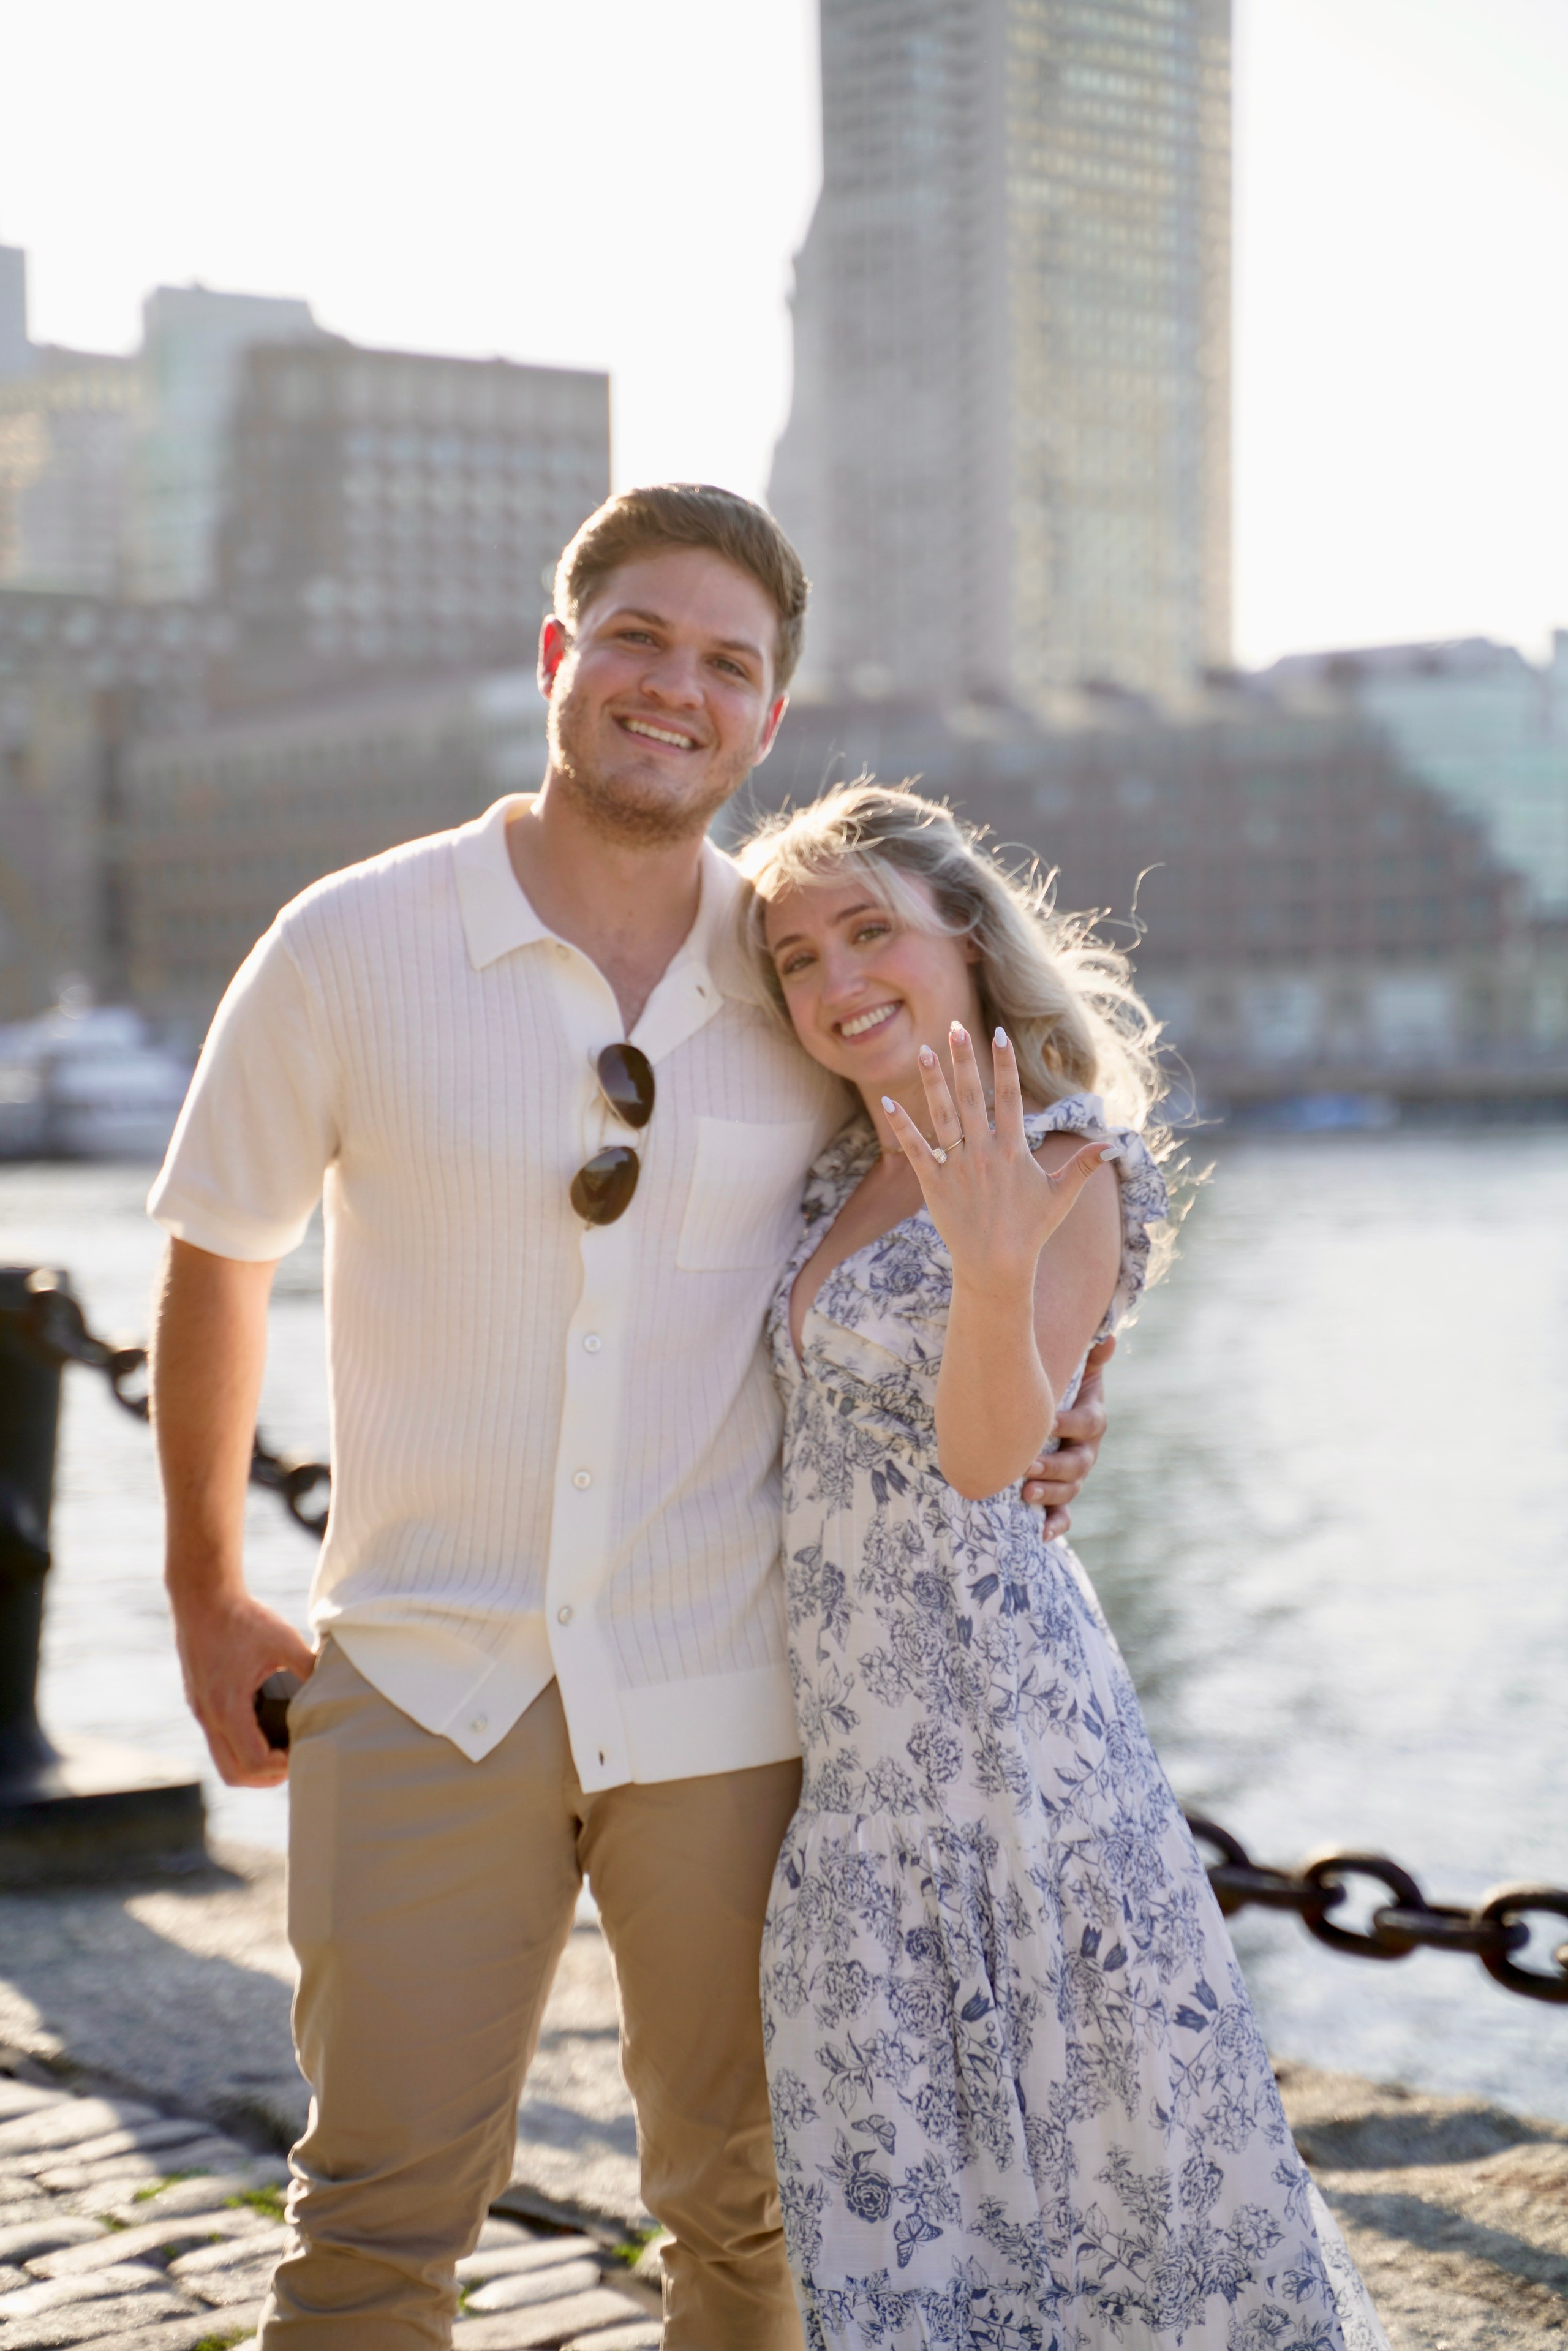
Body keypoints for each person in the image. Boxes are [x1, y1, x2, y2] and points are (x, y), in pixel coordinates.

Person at [146, 486, 1109, 2350]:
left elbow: (998, 1215)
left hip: (738, 1694)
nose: (678, 688)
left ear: (767, 721)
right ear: (556, 659)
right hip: (426, 1674)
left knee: (755, 2223)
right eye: (641, 639)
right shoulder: (349, 942)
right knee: (368, 2221)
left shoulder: (805, 979)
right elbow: (217, 1247)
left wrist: (1079, 1398)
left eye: (729, 666)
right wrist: (202, 1591)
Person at [738, 783, 1389, 2351]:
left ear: (965, 931)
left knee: (1096, 2184)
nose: (833, 980)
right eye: (795, 956)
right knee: (912, 2205)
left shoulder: (1060, 1152)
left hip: (1004, 1757)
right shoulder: (835, 1168)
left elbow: (981, 1458)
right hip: (861, 1765)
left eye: (868, 930)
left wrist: (996, 1258)